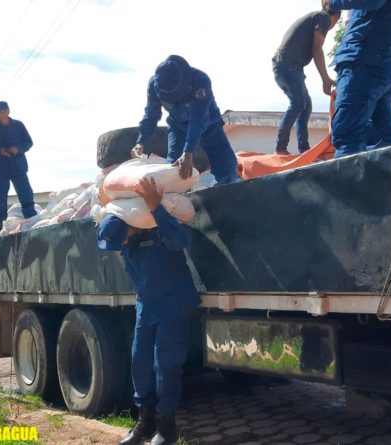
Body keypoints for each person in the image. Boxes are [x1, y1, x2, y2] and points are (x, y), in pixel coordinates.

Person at [97, 177, 200, 445]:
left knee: (165, 364)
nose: (121, 245)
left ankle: (167, 428)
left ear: (132, 225)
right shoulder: (126, 240)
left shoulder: (158, 228)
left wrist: (155, 207)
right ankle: (144, 423)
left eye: (122, 238)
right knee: (140, 362)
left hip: (174, 304)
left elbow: (180, 242)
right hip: (147, 305)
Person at [132, 55, 239, 185]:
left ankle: (224, 192)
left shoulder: (200, 81)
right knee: (173, 168)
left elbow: (198, 119)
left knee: (226, 165)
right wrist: (141, 141)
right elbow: (151, 115)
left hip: (209, 124)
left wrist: (188, 152)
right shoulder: (154, 86)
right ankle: (179, 200)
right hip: (178, 127)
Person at [327, 0, 391, 158]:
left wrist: (332, 3)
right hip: (382, 64)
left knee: (347, 136)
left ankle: (350, 182)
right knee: (383, 140)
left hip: (363, 61)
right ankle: (387, 181)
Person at [272, 3, 341, 155]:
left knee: (306, 105)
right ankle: (281, 147)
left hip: (288, 67)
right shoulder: (323, 18)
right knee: (298, 103)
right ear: (335, 19)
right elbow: (317, 50)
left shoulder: (315, 17)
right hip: (287, 66)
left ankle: (304, 148)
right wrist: (325, 79)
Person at [0, 101, 37, 235]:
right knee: (0, 197)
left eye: (4, 110)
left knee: (25, 193)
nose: (2, 114)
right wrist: (0, 151)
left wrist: (17, 149)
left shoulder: (18, 125)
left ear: (9, 110)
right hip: (1, 169)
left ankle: (32, 221)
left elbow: (28, 142)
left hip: (18, 166)